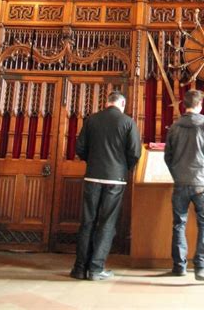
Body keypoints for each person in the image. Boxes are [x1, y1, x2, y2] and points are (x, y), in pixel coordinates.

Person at [70, 91, 141, 281]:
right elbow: (135, 152)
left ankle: (79, 268)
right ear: (123, 103)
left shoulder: (91, 120)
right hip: (115, 179)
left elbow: (80, 148)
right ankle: (96, 268)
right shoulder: (127, 122)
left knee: (87, 222)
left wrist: (92, 161)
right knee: (107, 223)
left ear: (107, 102)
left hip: (92, 176)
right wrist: (124, 168)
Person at [164, 89, 204, 283]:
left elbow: (168, 156)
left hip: (181, 182)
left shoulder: (174, 126)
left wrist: (177, 175)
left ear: (184, 105)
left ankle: (179, 266)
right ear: (200, 105)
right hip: (201, 182)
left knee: (178, 224)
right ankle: (202, 266)